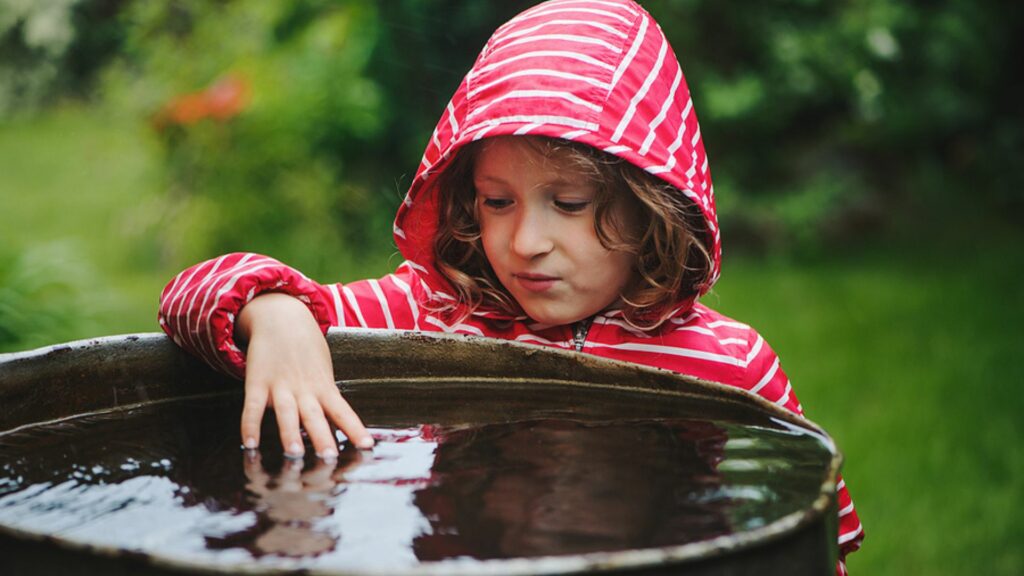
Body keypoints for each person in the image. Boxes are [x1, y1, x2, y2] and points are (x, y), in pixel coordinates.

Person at [158, 0, 863, 571]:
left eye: (571, 203)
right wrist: (276, 317)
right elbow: (189, 296)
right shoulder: (431, 312)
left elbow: (807, 540)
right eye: (498, 202)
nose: (526, 242)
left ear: (651, 203)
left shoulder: (733, 366)